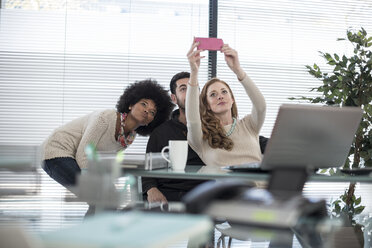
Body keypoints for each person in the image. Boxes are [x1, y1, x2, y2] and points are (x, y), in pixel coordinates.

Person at [41, 79, 174, 188]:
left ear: (150, 122)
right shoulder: (104, 118)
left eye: (152, 112)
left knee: (107, 199)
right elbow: (83, 156)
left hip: (74, 158)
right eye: (144, 104)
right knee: (101, 198)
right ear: (130, 105)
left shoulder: (128, 138)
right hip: (56, 151)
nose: (147, 111)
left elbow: (103, 162)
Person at [186, 41, 266, 167]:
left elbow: (261, 106)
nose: (220, 96)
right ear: (207, 105)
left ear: (232, 99)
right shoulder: (201, 137)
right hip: (227, 186)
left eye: (224, 92)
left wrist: (238, 70)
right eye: (213, 94)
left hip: (259, 186)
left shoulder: (249, 125)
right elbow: (193, 121)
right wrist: (194, 73)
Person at [142, 72, 206, 203]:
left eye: (194, 89)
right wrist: (151, 189)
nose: (190, 93)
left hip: (205, 194)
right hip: (169, 195)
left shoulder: (212, 128)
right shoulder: (160, 132)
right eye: (183, 89)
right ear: (174, 98)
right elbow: (148, 170)